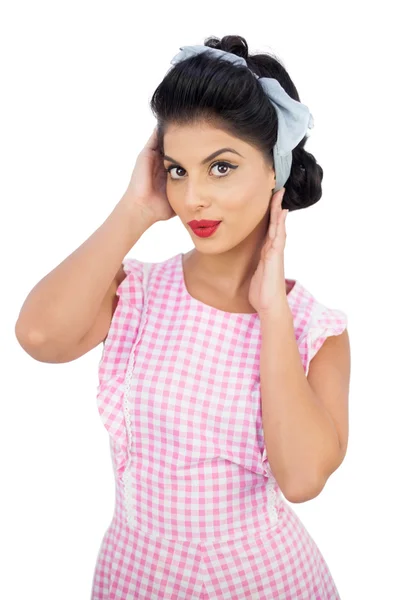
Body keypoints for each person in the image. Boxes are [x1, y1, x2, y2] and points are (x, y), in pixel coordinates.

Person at [15, 35, 350, 599]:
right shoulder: (138, 295)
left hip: (265, 582)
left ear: (276, 169)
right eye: (177, 170)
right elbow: (39, 336)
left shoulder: (314, 330)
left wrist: (271, 312)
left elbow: (302, 478)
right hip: (134, 574)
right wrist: (135, 209)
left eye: (221, 167)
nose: (193, 197)